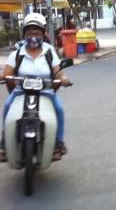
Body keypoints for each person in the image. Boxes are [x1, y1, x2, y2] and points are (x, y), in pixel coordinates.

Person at [0, 13, 72, 162]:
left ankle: (58, 144)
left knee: (58, 109)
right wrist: (2, 76)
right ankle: (5, 144)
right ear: (24, 33)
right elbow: (7, 73)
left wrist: (63, 79)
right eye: (30, 32)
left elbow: (57, 72)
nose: (33, 36)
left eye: (37, 32)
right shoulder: (17, 52)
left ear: (43, 33)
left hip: (46, 91)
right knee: (7, 106)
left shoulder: (49, 51)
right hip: (21, 91)